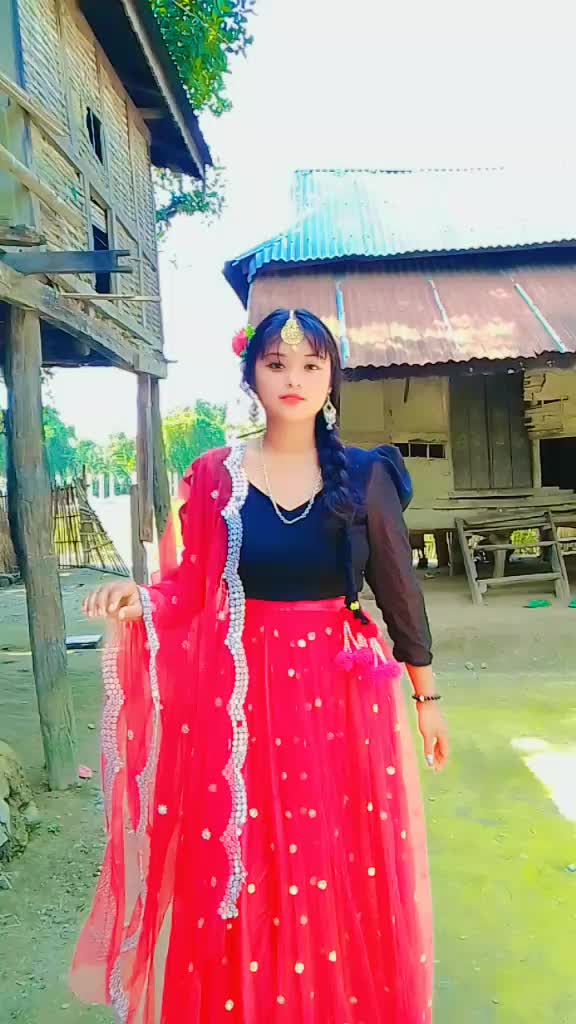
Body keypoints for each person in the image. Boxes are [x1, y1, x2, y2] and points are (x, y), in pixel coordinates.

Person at [71, 309, 449, 1024]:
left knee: (333, 861)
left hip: (340, 699)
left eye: (310, 365)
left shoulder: (365, 475)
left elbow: (400, 592)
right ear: (251, 376)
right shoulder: (217, 475)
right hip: (243, 697)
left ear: (331, 377)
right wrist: (140, 600)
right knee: (245, 857)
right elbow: (190, 587)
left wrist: (426, 698)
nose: (293, 379)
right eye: (277, 364)